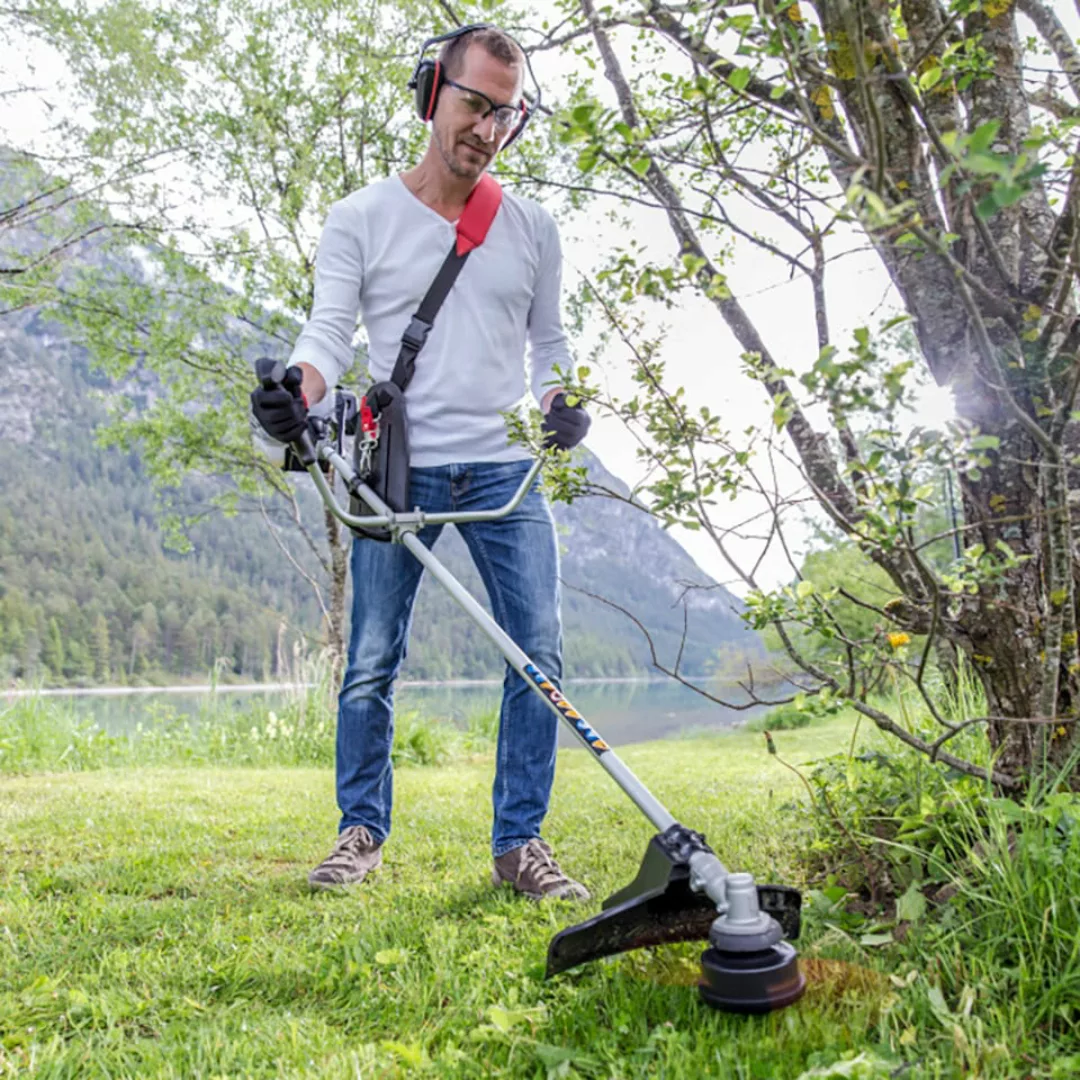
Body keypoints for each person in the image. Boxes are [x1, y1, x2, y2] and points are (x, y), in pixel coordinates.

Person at [250, 25, 591, 900]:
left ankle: (520, 845)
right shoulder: (361, 217)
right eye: (476, 105)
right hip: (397, 472)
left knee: (539, 659)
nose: (488, 130)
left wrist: (560, 403)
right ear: (432, 91)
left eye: (507, 116)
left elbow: (549, 346)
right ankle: (359, 831)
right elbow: (327, 333)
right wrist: (297, 389)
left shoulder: (532, 229)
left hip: (504, 471)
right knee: (371, 660)